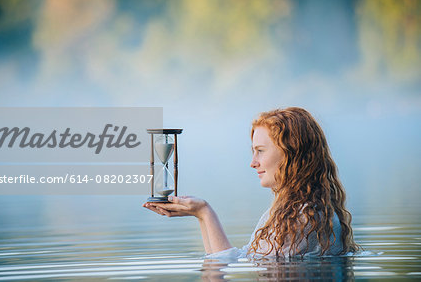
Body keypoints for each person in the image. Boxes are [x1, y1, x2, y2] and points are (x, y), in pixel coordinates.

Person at [143, 107, 359, 258]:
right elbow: (234, 260)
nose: (253, 163)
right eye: (253, 152)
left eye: (260, 152)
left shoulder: (305, 217)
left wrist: (205, 213)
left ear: (291, 154)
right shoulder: (286, 212)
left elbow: (224, 268)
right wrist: (201, 216)